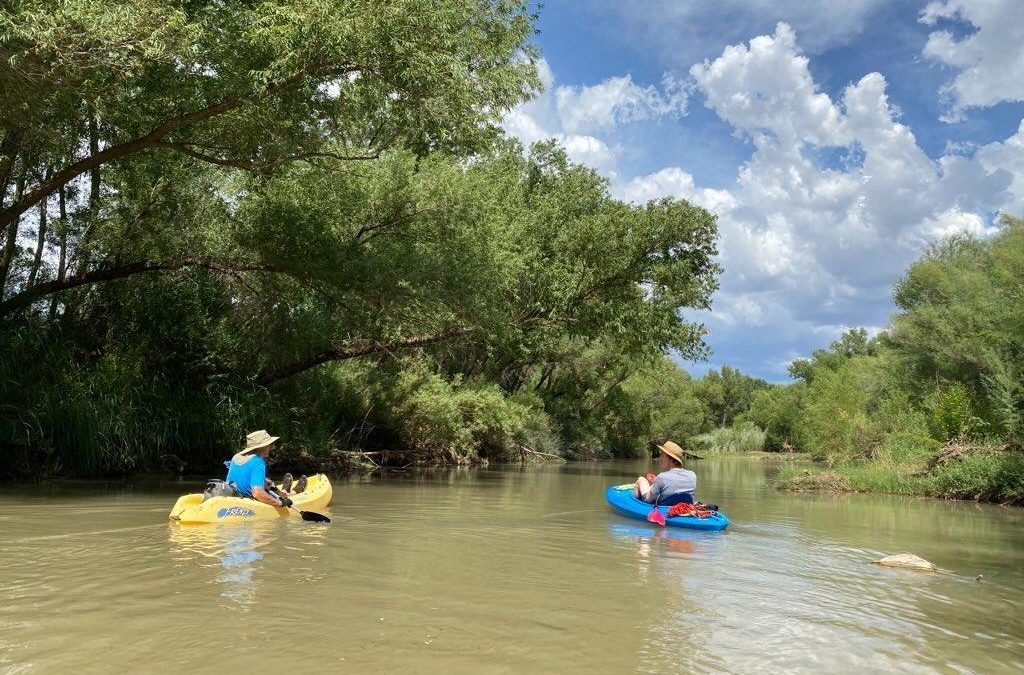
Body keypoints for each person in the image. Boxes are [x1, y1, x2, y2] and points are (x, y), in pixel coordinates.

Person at [225, 430, 293, 508]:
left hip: (233, 496)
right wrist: (280, 503)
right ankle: (289, 492)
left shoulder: (236, 456)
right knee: (279, 496)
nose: (271, 447)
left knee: (268, 483)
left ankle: (284, 492)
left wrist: (265, 480)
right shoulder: (258, 462)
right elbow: (257, 493)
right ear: (262, 447)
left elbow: (243, 474)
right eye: (269, 445)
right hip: (248, 502)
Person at [633, 440, 697, 506]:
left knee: (641, 479)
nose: (660, 458)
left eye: (662, 455)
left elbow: (649, 499)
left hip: (664, 507)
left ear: (669, 459)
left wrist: (653, 484)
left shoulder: (662, 477)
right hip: (686, 506)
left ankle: (633, 502)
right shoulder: (692, 475)